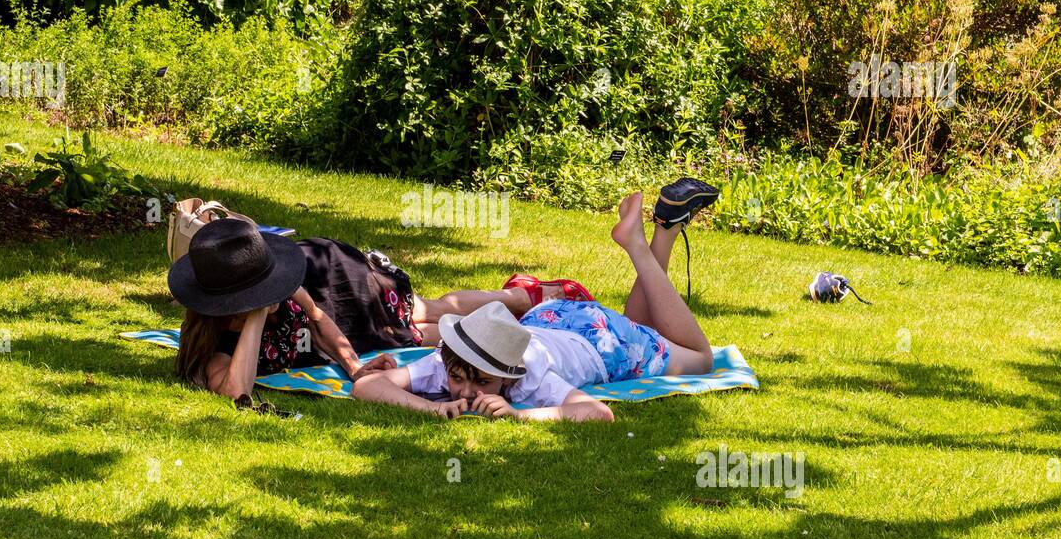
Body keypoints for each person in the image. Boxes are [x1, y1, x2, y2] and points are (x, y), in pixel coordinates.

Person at [352, 178, 721, 422]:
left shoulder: (530, 379)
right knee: (645, 328)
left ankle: (638, 246)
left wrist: (519, 415)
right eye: (459, 379)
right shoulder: (453, 359)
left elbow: (597, 414)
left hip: (601, 341)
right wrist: (429, 408)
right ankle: (666, 227)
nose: (465, 392)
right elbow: (366, 385)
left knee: (701, 359)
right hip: (550, 320)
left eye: (482, 383)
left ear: (506, 375)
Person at [167, 216, 590, 403]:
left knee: (420, 311)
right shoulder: (215, 347)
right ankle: (501, 324)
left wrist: (354, 369)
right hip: (323, 298)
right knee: (419, 336)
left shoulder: (289, 287)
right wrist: (258, 311)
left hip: (336, 276)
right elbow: (237, 391)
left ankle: (521, 298)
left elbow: (318, 320)